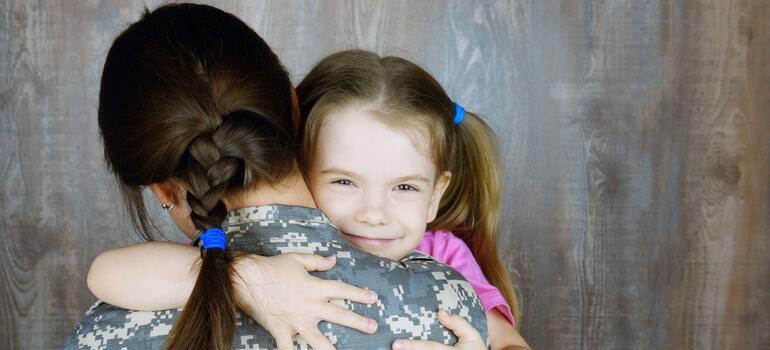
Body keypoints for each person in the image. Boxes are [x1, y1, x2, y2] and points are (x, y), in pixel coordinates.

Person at [63, 3, 487, 350]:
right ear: (293, 106)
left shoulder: (109, 326)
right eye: (347, 181)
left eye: (404, 187)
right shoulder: (449, 308)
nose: (374, 214)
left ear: (160, 185)